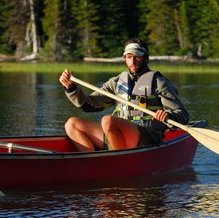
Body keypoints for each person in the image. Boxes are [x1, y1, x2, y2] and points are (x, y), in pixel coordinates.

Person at [59, 37, 189, 152]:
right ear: (125, 58)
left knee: (108, 120)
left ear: (146, 58)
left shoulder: (159, 82)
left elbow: (182, 115)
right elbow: (88, 105)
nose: (133, 61)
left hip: (147, 135)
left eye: (137, 56)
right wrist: (71, 88)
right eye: (129, 56)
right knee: (71, 124)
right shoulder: (115, 83)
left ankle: (117, 160)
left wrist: (168, 115)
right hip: (118, 135)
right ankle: (92, 162)